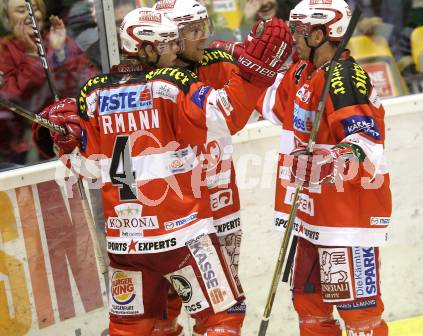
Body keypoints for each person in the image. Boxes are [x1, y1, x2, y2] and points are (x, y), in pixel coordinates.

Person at [38, 7, 292, 335]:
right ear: (145, 48)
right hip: (182, 236)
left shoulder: (93, 94)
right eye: (167, 43)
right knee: (223, 318)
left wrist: (64, 141)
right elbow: (222, 117)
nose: (175, 49)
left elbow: (86, 168)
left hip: (127, 245)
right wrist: (254, 75)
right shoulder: (170, 84)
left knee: (135, 327)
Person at [255, 0, 392, 335]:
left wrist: (323, 164)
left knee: (360, 315)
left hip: (346, 217)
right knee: (310, 309)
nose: (293, 39)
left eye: (300, 32)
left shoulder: (345, 77)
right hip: (310, 216)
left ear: (320, 34)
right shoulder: (301, 71)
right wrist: (246, 66)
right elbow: (271, 106)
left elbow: (363, 141)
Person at [153, 0, 260, 334]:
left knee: (224, 305)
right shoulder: (144, 80)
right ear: (168, 37)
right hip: (170, 215)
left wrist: (264, 71)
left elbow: (271, 102)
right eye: (191, 30)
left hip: (219, 206)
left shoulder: (219, 60)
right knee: (163, 308)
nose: (202, 37)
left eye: (204, 27)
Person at [0, 0, 98, 163]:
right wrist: (32, 56)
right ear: (7, 20)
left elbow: (86, 82)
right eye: (20, 11)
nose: (30, 15)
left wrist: (61, 53)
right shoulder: (4, 51)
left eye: (35, 9)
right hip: (25, 149)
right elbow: (11, 99)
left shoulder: (56, 38)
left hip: (71, 135)